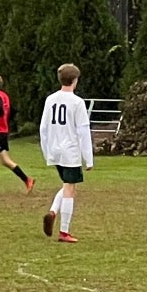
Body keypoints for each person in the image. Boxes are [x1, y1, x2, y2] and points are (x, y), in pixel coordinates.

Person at [39, 62, 94, 243]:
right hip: (70, 150)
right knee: (70, 189)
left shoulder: (50, 99)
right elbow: (83, 130)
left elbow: (43, 128)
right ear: (75, 80)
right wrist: (89, 158)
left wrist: (47, 151)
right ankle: (64, 231)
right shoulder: (77, 102)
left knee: (66, 184)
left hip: (55, 149)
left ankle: (53, 212)